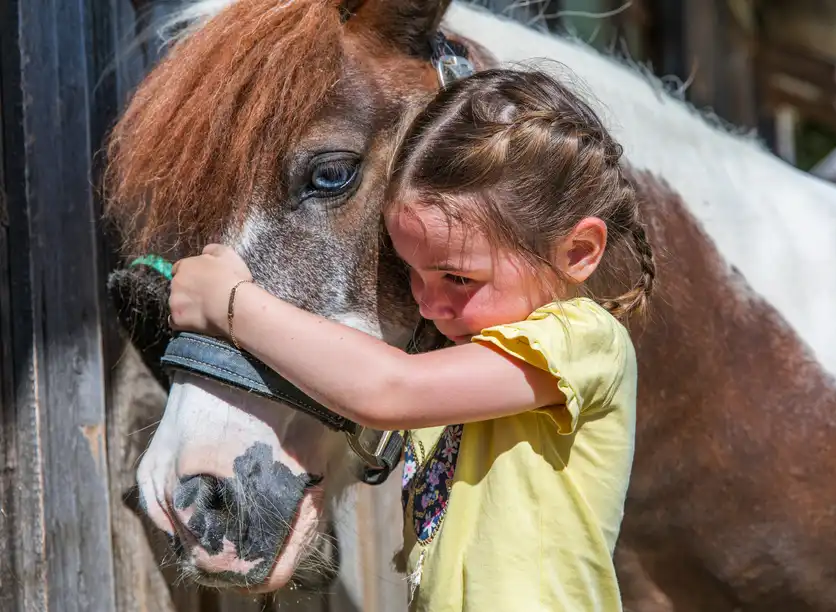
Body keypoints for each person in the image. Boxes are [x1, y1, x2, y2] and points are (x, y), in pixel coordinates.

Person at [168, 67, 655, 611]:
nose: (427, 302)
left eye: (458, 278)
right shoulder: (465, 355)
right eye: (413, 273)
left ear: (578, 252)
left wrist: (231, 304)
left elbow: (389, 390)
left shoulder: (583, 340)